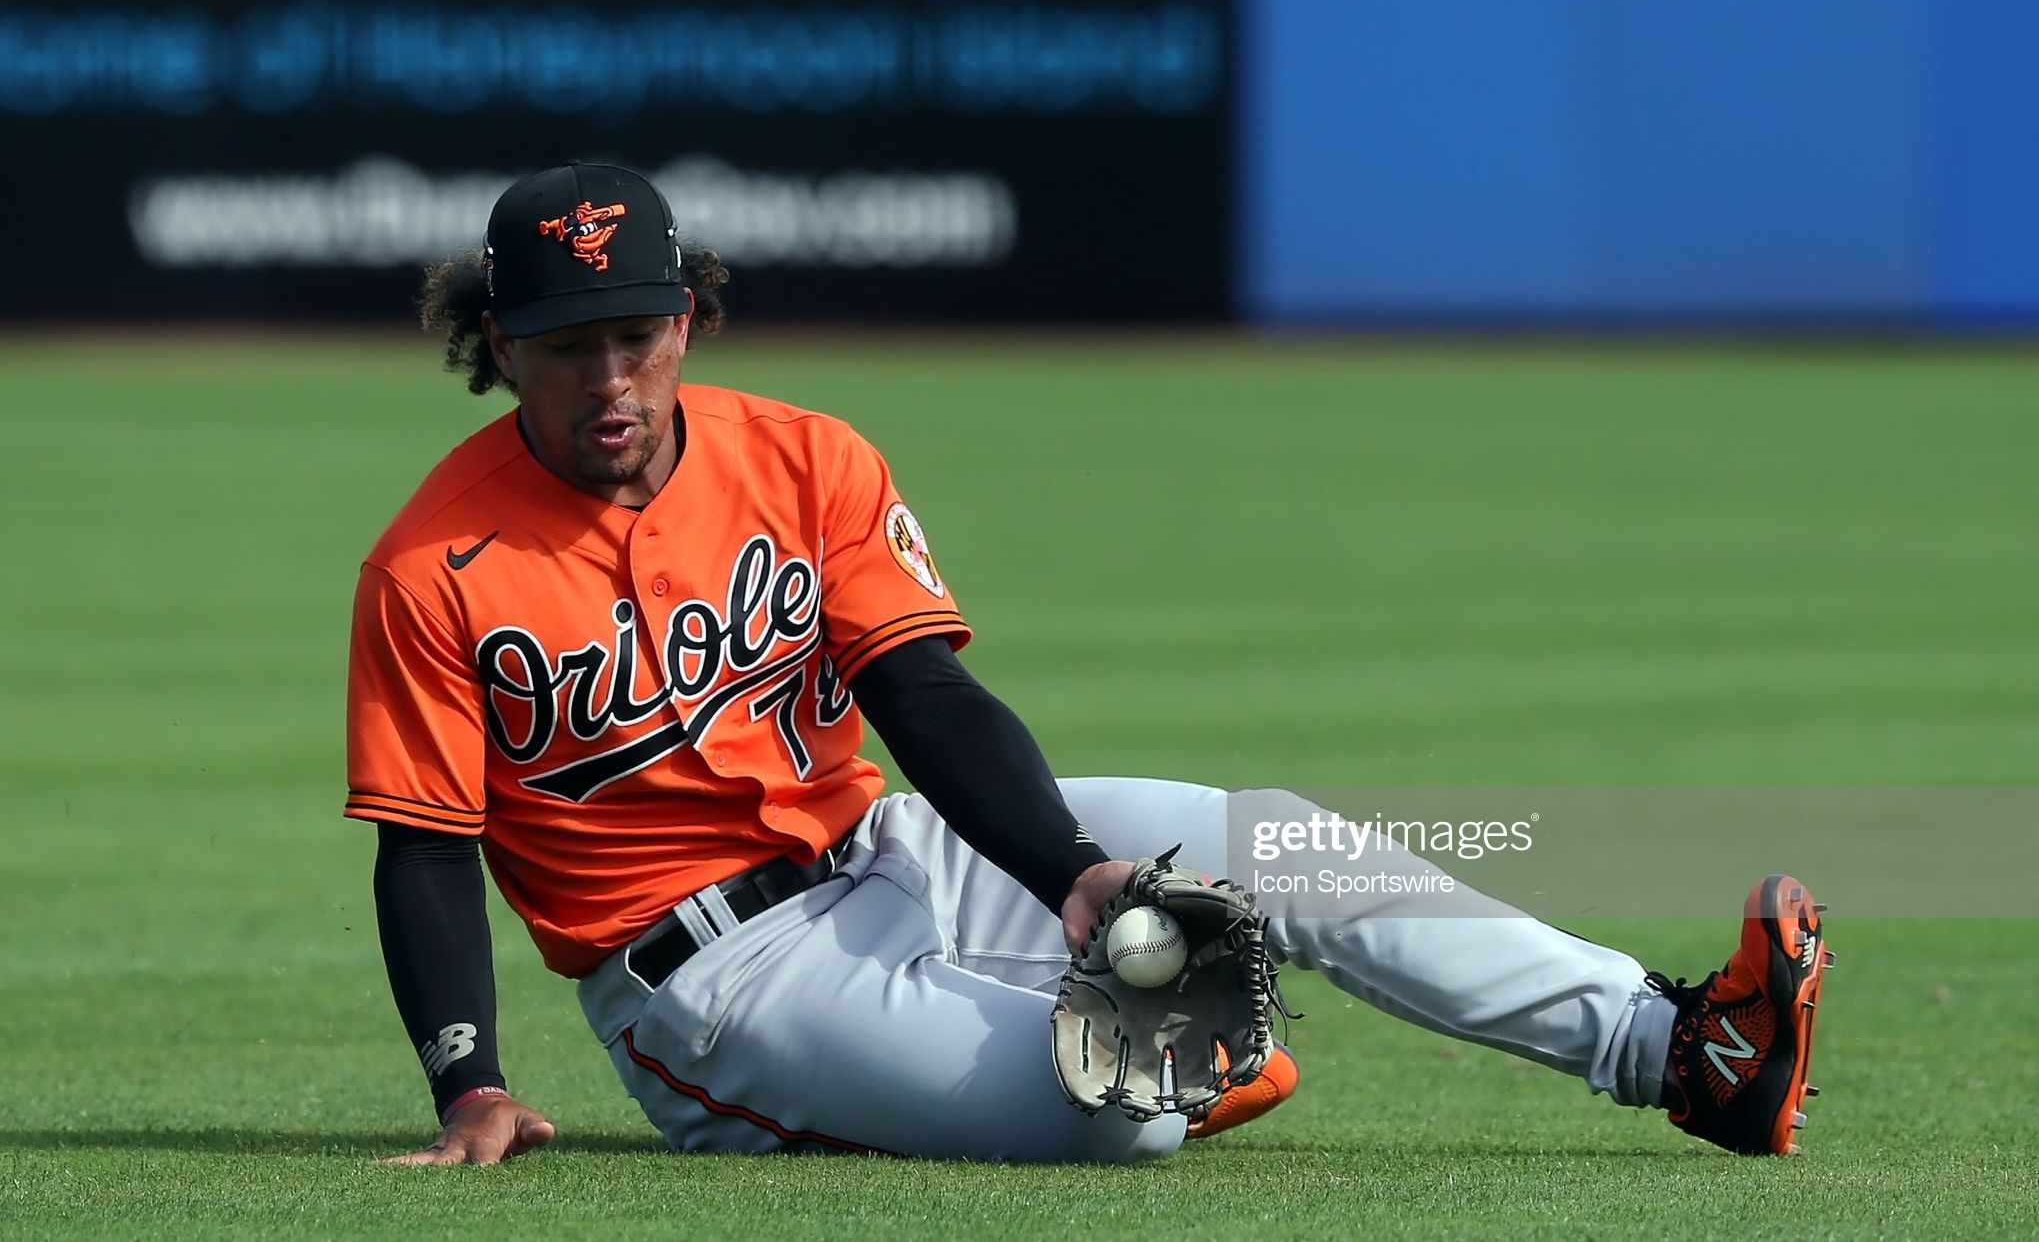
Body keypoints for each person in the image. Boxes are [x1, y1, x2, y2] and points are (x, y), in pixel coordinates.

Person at [347, 162, 1830, 1166]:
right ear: (496, 343)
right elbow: (423, 850)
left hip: (889, 847)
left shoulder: (804, 456)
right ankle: (1180, 1052)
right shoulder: (436, 566)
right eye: (562, 345)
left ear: (689, 315)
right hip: (716, 981)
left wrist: (1068, 866)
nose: (607, 378)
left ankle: (1682, 1050)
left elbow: (921, 692)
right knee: (1123, 1117)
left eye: (633, 333)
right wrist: (468, 1079)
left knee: (1280, 845)